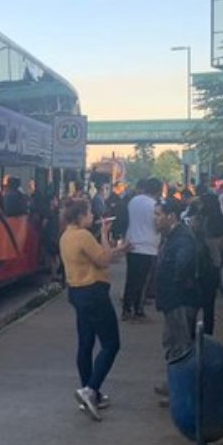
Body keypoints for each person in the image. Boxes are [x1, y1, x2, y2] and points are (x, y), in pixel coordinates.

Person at [60, 197, 130, 421]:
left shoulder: (66, 236)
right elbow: (104, 260)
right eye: (90, 213)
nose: (93, 217)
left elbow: (98, 257)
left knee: (86, 343)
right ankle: (90, 389)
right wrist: (107, 236)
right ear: (81, 216)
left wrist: (116, 249)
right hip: (94, 293)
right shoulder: (83, 236)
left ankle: (90, 393)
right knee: (111, 344)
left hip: (77, 292)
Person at [152, 197, 205, 401]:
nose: (155, 219)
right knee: (172, 341)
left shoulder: (181, 238)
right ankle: (175, 383)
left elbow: (183, 266)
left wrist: (174, 282)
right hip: (174, 298)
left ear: (171, 216)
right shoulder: (174, 236)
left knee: (181, 345)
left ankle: (182, 391)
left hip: (180, 299)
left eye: (158, 215)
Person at [122, 178, 163, 321]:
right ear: (158, 191)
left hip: (132, 244)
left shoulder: (133, 201)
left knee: (131, 279)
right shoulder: (155, 206)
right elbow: (158, 225)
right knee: (143, 281)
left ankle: (126, 309)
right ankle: (138, 310)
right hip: (148, 246)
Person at [191, 192, 223, 335]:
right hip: (214, 267)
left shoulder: (200, 219)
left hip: (199, 266)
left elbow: (195, 240)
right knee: (209, 306)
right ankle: (208, 334)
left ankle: (191, 334)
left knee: (193, 304)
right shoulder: (221, 220)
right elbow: (221, 245)